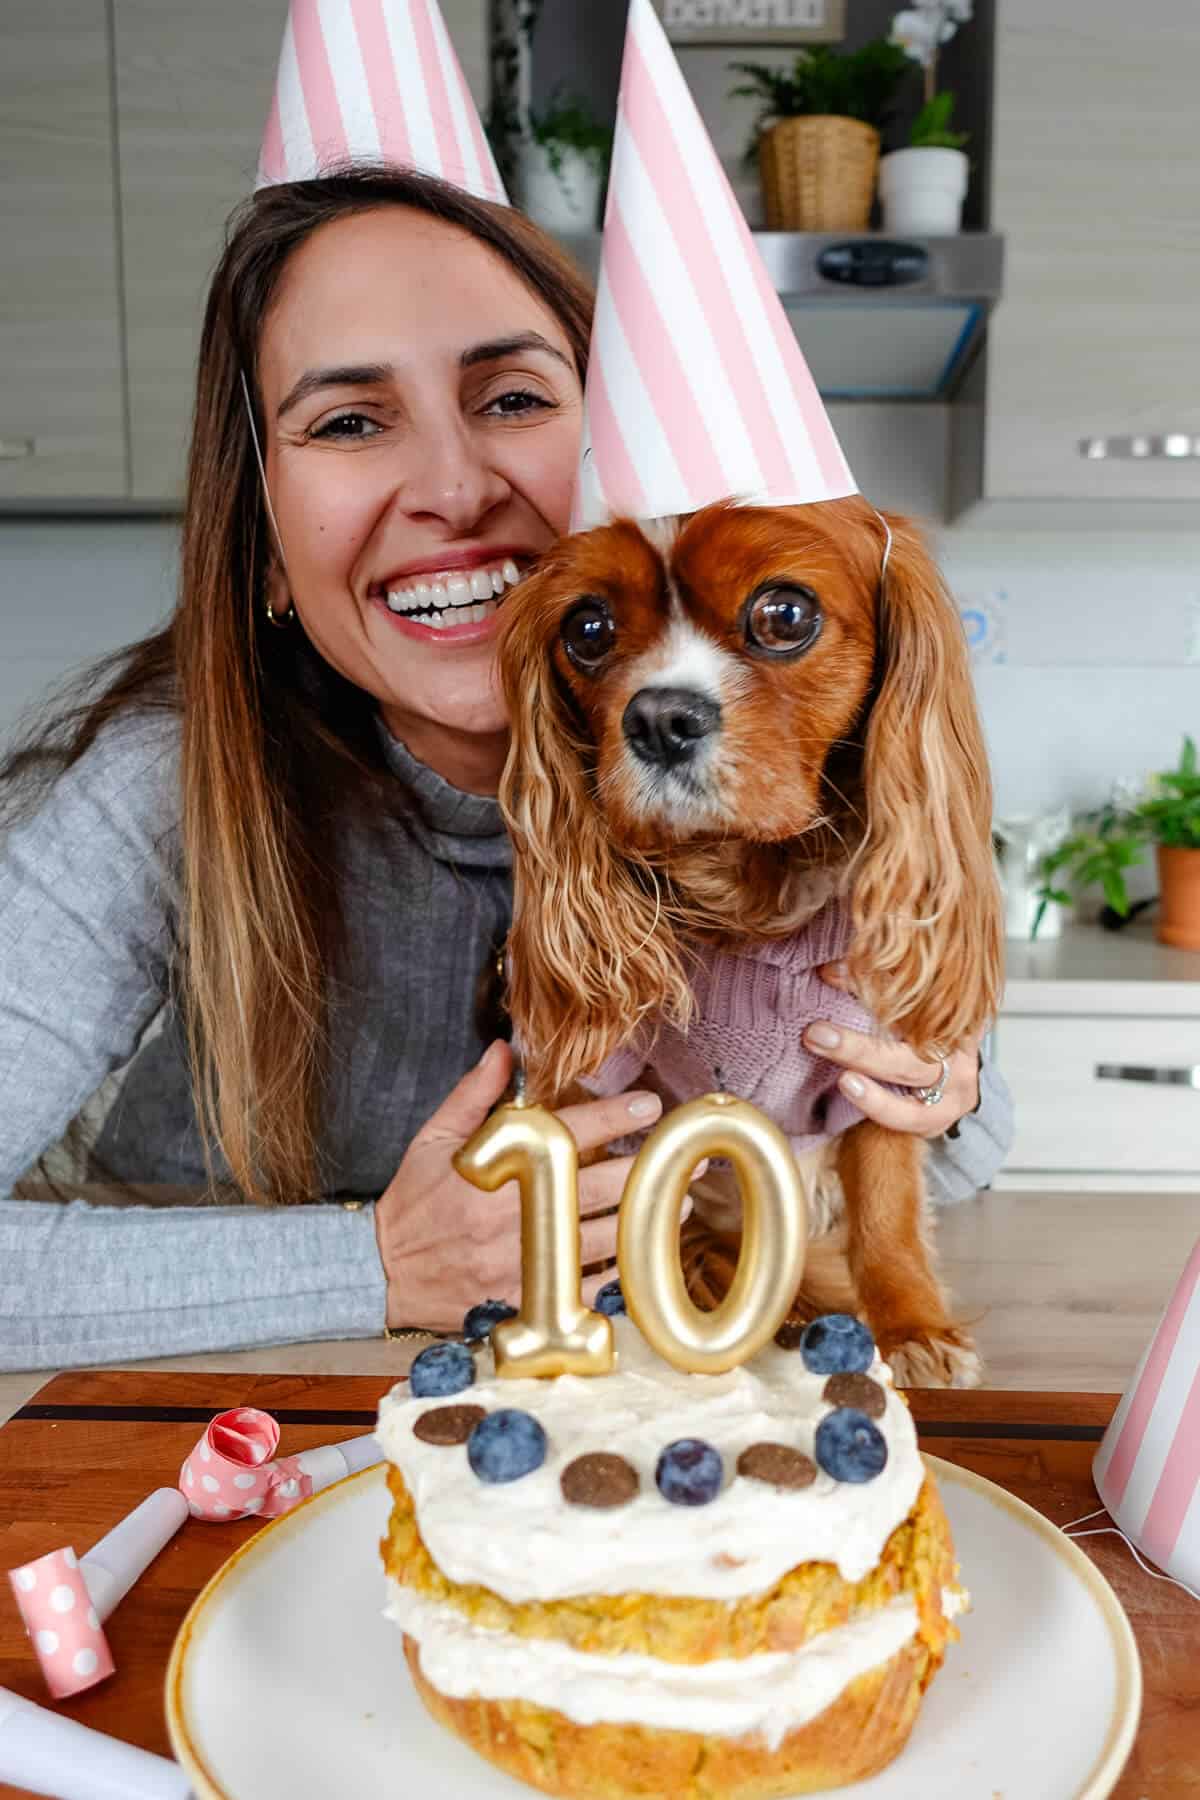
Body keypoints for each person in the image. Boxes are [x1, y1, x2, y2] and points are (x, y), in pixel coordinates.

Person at [0, 169, 1012, 1372]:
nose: (452, 490)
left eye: (513, 395)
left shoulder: (814, 781)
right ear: (267, 549)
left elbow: (974, 1139)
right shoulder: (158, 792)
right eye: (348, 421)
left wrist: (936, 1080)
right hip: (210, 1416)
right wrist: (373, 1264)